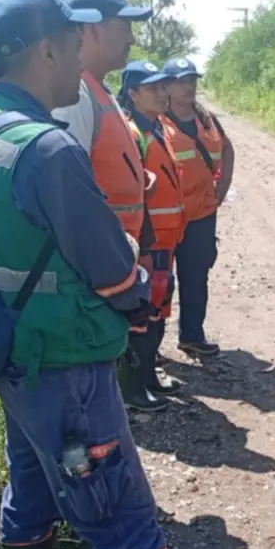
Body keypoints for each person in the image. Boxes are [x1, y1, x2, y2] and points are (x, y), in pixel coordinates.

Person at [0, 0, 183, 549]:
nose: (79, 60)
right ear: (46, 52)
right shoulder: (49, 149)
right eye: (72, 45)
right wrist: (136, 279)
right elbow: (114, 272)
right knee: (125, 522)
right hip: (66, 362)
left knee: (29, 498)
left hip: (15, 356)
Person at [52, 0, 168, 413]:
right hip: (95, 266)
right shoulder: (76, 96)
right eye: (124, 27)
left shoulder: (98, 91)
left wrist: (138, 180)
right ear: (92, 30)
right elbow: (68, 187)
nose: (132, 38)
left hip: (116, 255)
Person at [118, 60, 188, 397]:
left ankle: (149, 374)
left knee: (159, 305)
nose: (162, 93)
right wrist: (144, 246)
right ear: (133, 94)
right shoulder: (133, 133)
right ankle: (138, 383)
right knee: (145, 310)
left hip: (167, 237)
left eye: (163, 86)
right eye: (152, 88)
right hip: (150, 240)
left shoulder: (158, 126)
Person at [160, 57, 235, 357]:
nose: (188, 87)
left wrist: (223, 187)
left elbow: (226, 148)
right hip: (165, 217)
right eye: (181, 81)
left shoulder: (207, 120)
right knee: (160, 281)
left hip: (202, 214)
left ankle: (192, 335)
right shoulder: (155, 121)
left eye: (191, 80)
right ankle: (149, 348)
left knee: (196, 277)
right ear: (166, 86)